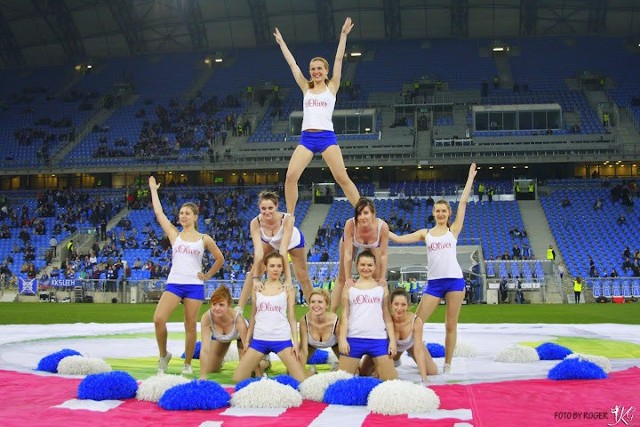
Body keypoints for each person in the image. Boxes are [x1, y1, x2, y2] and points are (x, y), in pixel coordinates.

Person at [389, 163, 476, 374]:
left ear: (449, 213)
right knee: (415, 321)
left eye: (444, 211)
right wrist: (385, 231)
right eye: (437, 210)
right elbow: (399, 239)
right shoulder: (425, 233)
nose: (440, 213)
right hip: (434, 283)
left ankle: (447, 364)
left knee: (450, 325)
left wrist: (470, 179)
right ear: (433, 213)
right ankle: (398, 356)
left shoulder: (453, 231)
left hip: (454, 281)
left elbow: (463, 202)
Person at [274, 17, 360, 215]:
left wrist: (343, 36)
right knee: (290, 177)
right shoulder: (306, 87)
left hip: (326, 137)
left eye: (319, 68)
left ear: (326, 71)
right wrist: (281, 43)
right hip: (307, 139)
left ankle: (363, 212)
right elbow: (293, 64)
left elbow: (339, 59)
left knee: (342, 178)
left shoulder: (332, 86)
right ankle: (291, 216)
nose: (315, 71)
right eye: (313, 69)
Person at [149, 176, 224, 375]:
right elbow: (159, 212)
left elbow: (220, 259)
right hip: (174, 283)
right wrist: (153, 190)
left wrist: (207, 276)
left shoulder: (203, 238)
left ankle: (187, 364)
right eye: (181, 213)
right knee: (158, 319)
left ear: (195, 217)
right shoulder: (175, 234)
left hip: (194, 285)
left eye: (187, 213)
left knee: (190, 325)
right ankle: (164, 354)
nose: (183, 216)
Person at [232, 252, 305, 383]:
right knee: (238, 378)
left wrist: (295, 342)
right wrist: (247, 341)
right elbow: (253, 316)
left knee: (301, 380)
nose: (275, 269)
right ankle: (263, 367)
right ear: (265, 267)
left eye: (279, 266)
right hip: (259, 340)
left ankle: (312, 371)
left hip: (281, 339)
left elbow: (292, 318)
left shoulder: (287, 289)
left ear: (283, 268)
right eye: (272, 266)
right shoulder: (257, 288)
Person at [236, 191, 312, 312]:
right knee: (253, 271)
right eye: (263, 208)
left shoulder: (287, 220)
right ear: (259, 208)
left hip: (293, 242)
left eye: (270, 208)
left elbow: (283, 251)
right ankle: (239, 308)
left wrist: (288, 279)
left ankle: (314, 310)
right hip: (271, 241)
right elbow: (259, 253)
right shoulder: (255, 223)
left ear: (276, 206)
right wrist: (256, 278)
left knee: (302, 276)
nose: (267, 212)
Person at [337, 250, 397, 380]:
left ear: (375, 267)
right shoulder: (349, 287)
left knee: (392, 383)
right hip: (354, 339)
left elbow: (387, 317)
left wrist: (392, 341)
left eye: (370, 265)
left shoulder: (381, 287)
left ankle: (368, 371)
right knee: (340, 383)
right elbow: (345, 315)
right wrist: (342, 339)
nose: (366, 268)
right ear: (357, 266)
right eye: (362, 265)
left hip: (378, 340)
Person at [360, 289, 438, 384]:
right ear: (391, 305)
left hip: (411, 345)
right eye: (396, 304)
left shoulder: (416, 321)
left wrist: (424, 378)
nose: (399, 308)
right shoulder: (385, 321)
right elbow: (379, 348)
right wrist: (378, 372)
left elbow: (418, 350)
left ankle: (395, 360)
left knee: (432, 371)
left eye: (403, 305)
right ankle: (395, 360)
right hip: (388, 349)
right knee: (363, 373)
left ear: (408, 306)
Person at [331, 197, 389, 311]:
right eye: (359, 214)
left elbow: (383, 255)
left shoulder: (383, 227)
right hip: (351, 241)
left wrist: (383, 277)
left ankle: (378, 312)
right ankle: (332, 314)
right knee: (342, 278)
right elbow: (348, 254)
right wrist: (348, 278)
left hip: (374, 245)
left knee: (378, 278)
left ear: (373, 214)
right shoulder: (350, 224)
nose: (362, 217)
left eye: (366, 213)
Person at [199, 285, 269, 379]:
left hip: (242, 339)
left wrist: (258, 373)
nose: (217, 308)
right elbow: (205, 349)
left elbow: (247, 347)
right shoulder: (207, 317)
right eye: (214, 304)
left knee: (249, 370)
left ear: (228, 305)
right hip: (222, 339)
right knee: (210, 369)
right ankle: (220, 360)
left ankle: (265, 361)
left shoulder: (238, 319)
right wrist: (203, 376)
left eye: (221, 305)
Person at [298, 288, 339, 376]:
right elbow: (304, 351)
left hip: (335, 345)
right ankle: (312, 372)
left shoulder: (336, 321)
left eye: (320, 302)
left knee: (352, 373)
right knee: (293, 372)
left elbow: (345, 348)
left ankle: (335, 368)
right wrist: (299, 368)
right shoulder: (304, 320)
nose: (316, 305)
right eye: (313, 302)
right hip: (310, 345)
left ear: (327, 304)